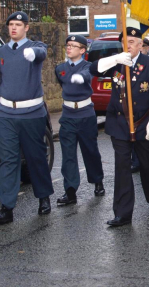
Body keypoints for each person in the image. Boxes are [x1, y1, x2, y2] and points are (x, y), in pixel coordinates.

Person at [89, 27, 149, 227]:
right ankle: (122, 214)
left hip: (143, 123)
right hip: (119, 124)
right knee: (122, 168)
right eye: (125, 41)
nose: (129, 45)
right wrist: (115, 59)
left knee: (148, 165)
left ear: (141, 45)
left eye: (133, 41)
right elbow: (93, 69)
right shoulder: (116, 63)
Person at [0, 12, 54, 225]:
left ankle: (43, 197)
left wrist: (32, 53)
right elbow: (1, 78)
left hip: (31, 114)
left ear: (26, 27)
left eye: (18, 24)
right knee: (8, 161)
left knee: (36, 157)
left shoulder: (37, 46)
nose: (13, 28)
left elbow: (41, 53)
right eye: (11, 25)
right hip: (7, 114)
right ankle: (6, 207)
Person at [54, 35, 105, 207]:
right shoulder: (60, 68)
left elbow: (87, 75)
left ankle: (97, 181)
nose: (69, 48)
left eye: (73, 46)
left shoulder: (88, 67)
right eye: (67, 45)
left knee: (90, 151)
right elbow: (63, 84)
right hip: (68, 115)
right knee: (68, 155)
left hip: (85, 115)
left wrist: (80, 77)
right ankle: (70, 191)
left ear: (82, 50)